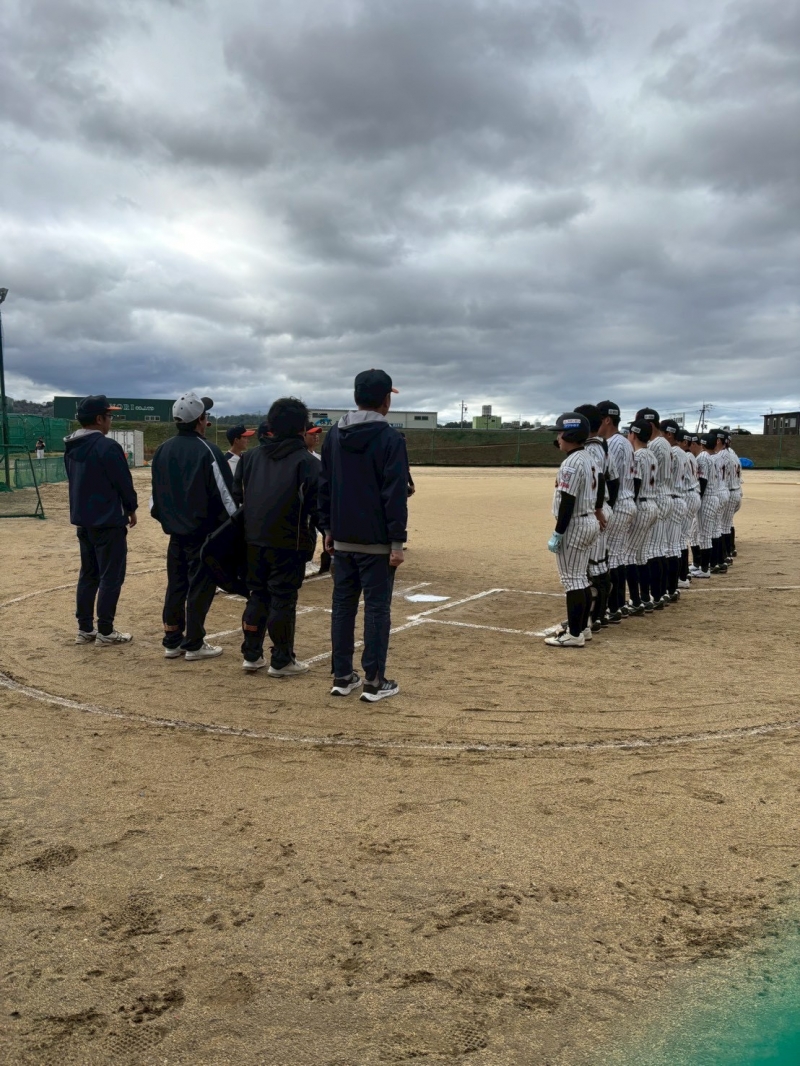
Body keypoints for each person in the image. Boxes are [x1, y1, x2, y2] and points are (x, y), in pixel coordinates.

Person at [318, 369, 408, 700]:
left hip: (342, 538)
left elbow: (324, 485)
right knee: (376, 609)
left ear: (356, 397)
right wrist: (397, 541)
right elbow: (394, 493)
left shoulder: (333, 435)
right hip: (377, 542)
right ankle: (374, 680)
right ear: (385, 400)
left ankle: (342, 675)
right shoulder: (391, 439)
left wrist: (327, 528)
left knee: (343, 607)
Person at [233, 398, 320, 676]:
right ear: (302, 428)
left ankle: (251, 654)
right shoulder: (307, 462)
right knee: (283, 598)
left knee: (257, 594)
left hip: (252, 539)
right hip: (290, 541)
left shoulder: (250, 458)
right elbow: (317, 506)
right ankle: (282, 659)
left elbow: (238, 497)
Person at [150, 392, 236, 660]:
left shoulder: (163, 449)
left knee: (176, 585)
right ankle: (195, 643)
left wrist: (170, 519)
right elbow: (226, 496)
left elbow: (155, 498)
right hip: (203, 534)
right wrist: (234, 527)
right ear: (201, 420)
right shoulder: (208, 450)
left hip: (175, 533)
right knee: (200, 586)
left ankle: (172, 639)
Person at [63, 395, 138, 645]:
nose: (110, 420)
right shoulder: (107, 446)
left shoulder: (71, 446)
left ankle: (85, 628)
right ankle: (105, 630)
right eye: (109, 416)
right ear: (99, 419)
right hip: (108, 520)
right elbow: (123, 482)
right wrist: (131, 508)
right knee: (111, 576)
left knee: (89, 574)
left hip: (83, 520)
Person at [544, 412, 599, 648]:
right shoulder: (587, 457)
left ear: (571, 434)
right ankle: (583, 627)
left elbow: (567, 501)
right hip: (588, 521)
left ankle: (574, 633)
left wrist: (558, 532)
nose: (557, 437)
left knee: (572, 580)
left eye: (560, 433)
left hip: (575, 523)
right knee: (580, 578)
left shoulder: (571, 462)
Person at [596, 400, 635, 622]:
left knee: (608, 558)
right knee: (617, 557)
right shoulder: (624, 442)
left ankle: (609, 608)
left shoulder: (613, 444)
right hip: (627, 501)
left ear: (607, 420)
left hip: (618, 503)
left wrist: (605, 507)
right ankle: (617, 605)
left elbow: (612, 478)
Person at [625, 420, 659, 614]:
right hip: (653, 504)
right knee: (641, 554)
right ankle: (645, 597)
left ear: (634, 434)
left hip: (642, 504)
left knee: (629, 554)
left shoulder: (637, 456)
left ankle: (636, 601)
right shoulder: (652, 454)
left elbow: (636, 483)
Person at [304, 422, 330, 575]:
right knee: (308, 533)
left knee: (326, 530)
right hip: (307, 503)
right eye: (312, 434)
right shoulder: (301, 457)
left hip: (319, 502)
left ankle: (325, 562)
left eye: (317, 434)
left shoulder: (318, 458)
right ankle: (306, 561)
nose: (316, 436)